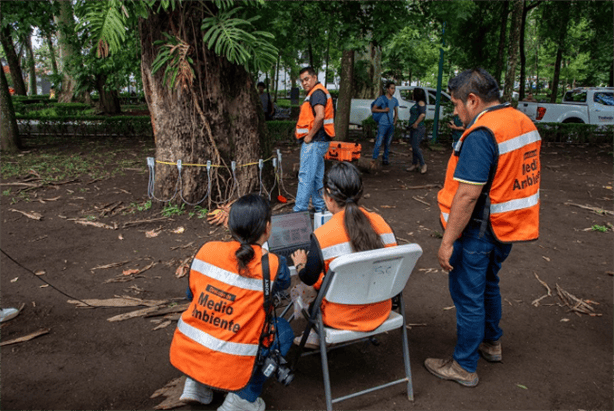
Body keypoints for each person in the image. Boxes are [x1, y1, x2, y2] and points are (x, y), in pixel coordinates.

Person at [426, 68, 541, 387]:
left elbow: (468, 193)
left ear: (473, 100)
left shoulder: (482, 133)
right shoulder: (521, 122)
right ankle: (492, 343)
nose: (455, 111)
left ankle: (463, 365)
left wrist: (447, 241)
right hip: (506, 227)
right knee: (489, 285)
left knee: (469, 296)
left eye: (456, 104)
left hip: (477, 229)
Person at [169, 194, 293, 411]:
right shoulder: (272, 264)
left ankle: (196, 384)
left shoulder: (206, 250)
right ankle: (242, 399)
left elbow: (192, 296)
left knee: (212, 322)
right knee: (283, 331)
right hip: (231, 360)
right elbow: (283, 284)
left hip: (191, 352)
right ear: (267, 228)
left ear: (230, 224)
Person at [291, 162, 397, 347]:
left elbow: (308, 278)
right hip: (380, 310)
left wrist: (300, 264)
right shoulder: (382, 223)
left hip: (340, 317)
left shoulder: (322, 236)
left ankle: (316, 334)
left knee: (301, 290)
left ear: (328, 197)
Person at [294, 66, 335, 213]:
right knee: (317, 177)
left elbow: (320, 115)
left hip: (314, 142)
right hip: (320, 142)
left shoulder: (317, 93)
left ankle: (299, 211)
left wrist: (309, 136)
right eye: (302, 81)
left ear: (314, 78)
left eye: (307, 79)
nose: (304, 83)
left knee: (305, 176)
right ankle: (320, 207)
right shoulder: (318, 92)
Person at [370, 81, 399, 166]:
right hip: (382, 124)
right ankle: (374, 158)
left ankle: (385, 159)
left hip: (390, 124)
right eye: (391, 88)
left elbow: (396, 111)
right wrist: (383, 110)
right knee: (379, 142)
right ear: (387, 89)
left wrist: (395, 121)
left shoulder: (395, 100)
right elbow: (373, 109)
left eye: (394, 89)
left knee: (388, 143)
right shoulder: (381, 99)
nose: (393, 90)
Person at [406, 88, 428, 174]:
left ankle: (423, 164)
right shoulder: (416, 103)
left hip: (418, 128)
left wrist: (416, 123)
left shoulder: (421, 103)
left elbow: (422, 114)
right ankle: (414, 164)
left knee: (415, 146)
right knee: (413, 146)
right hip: (413, 128)